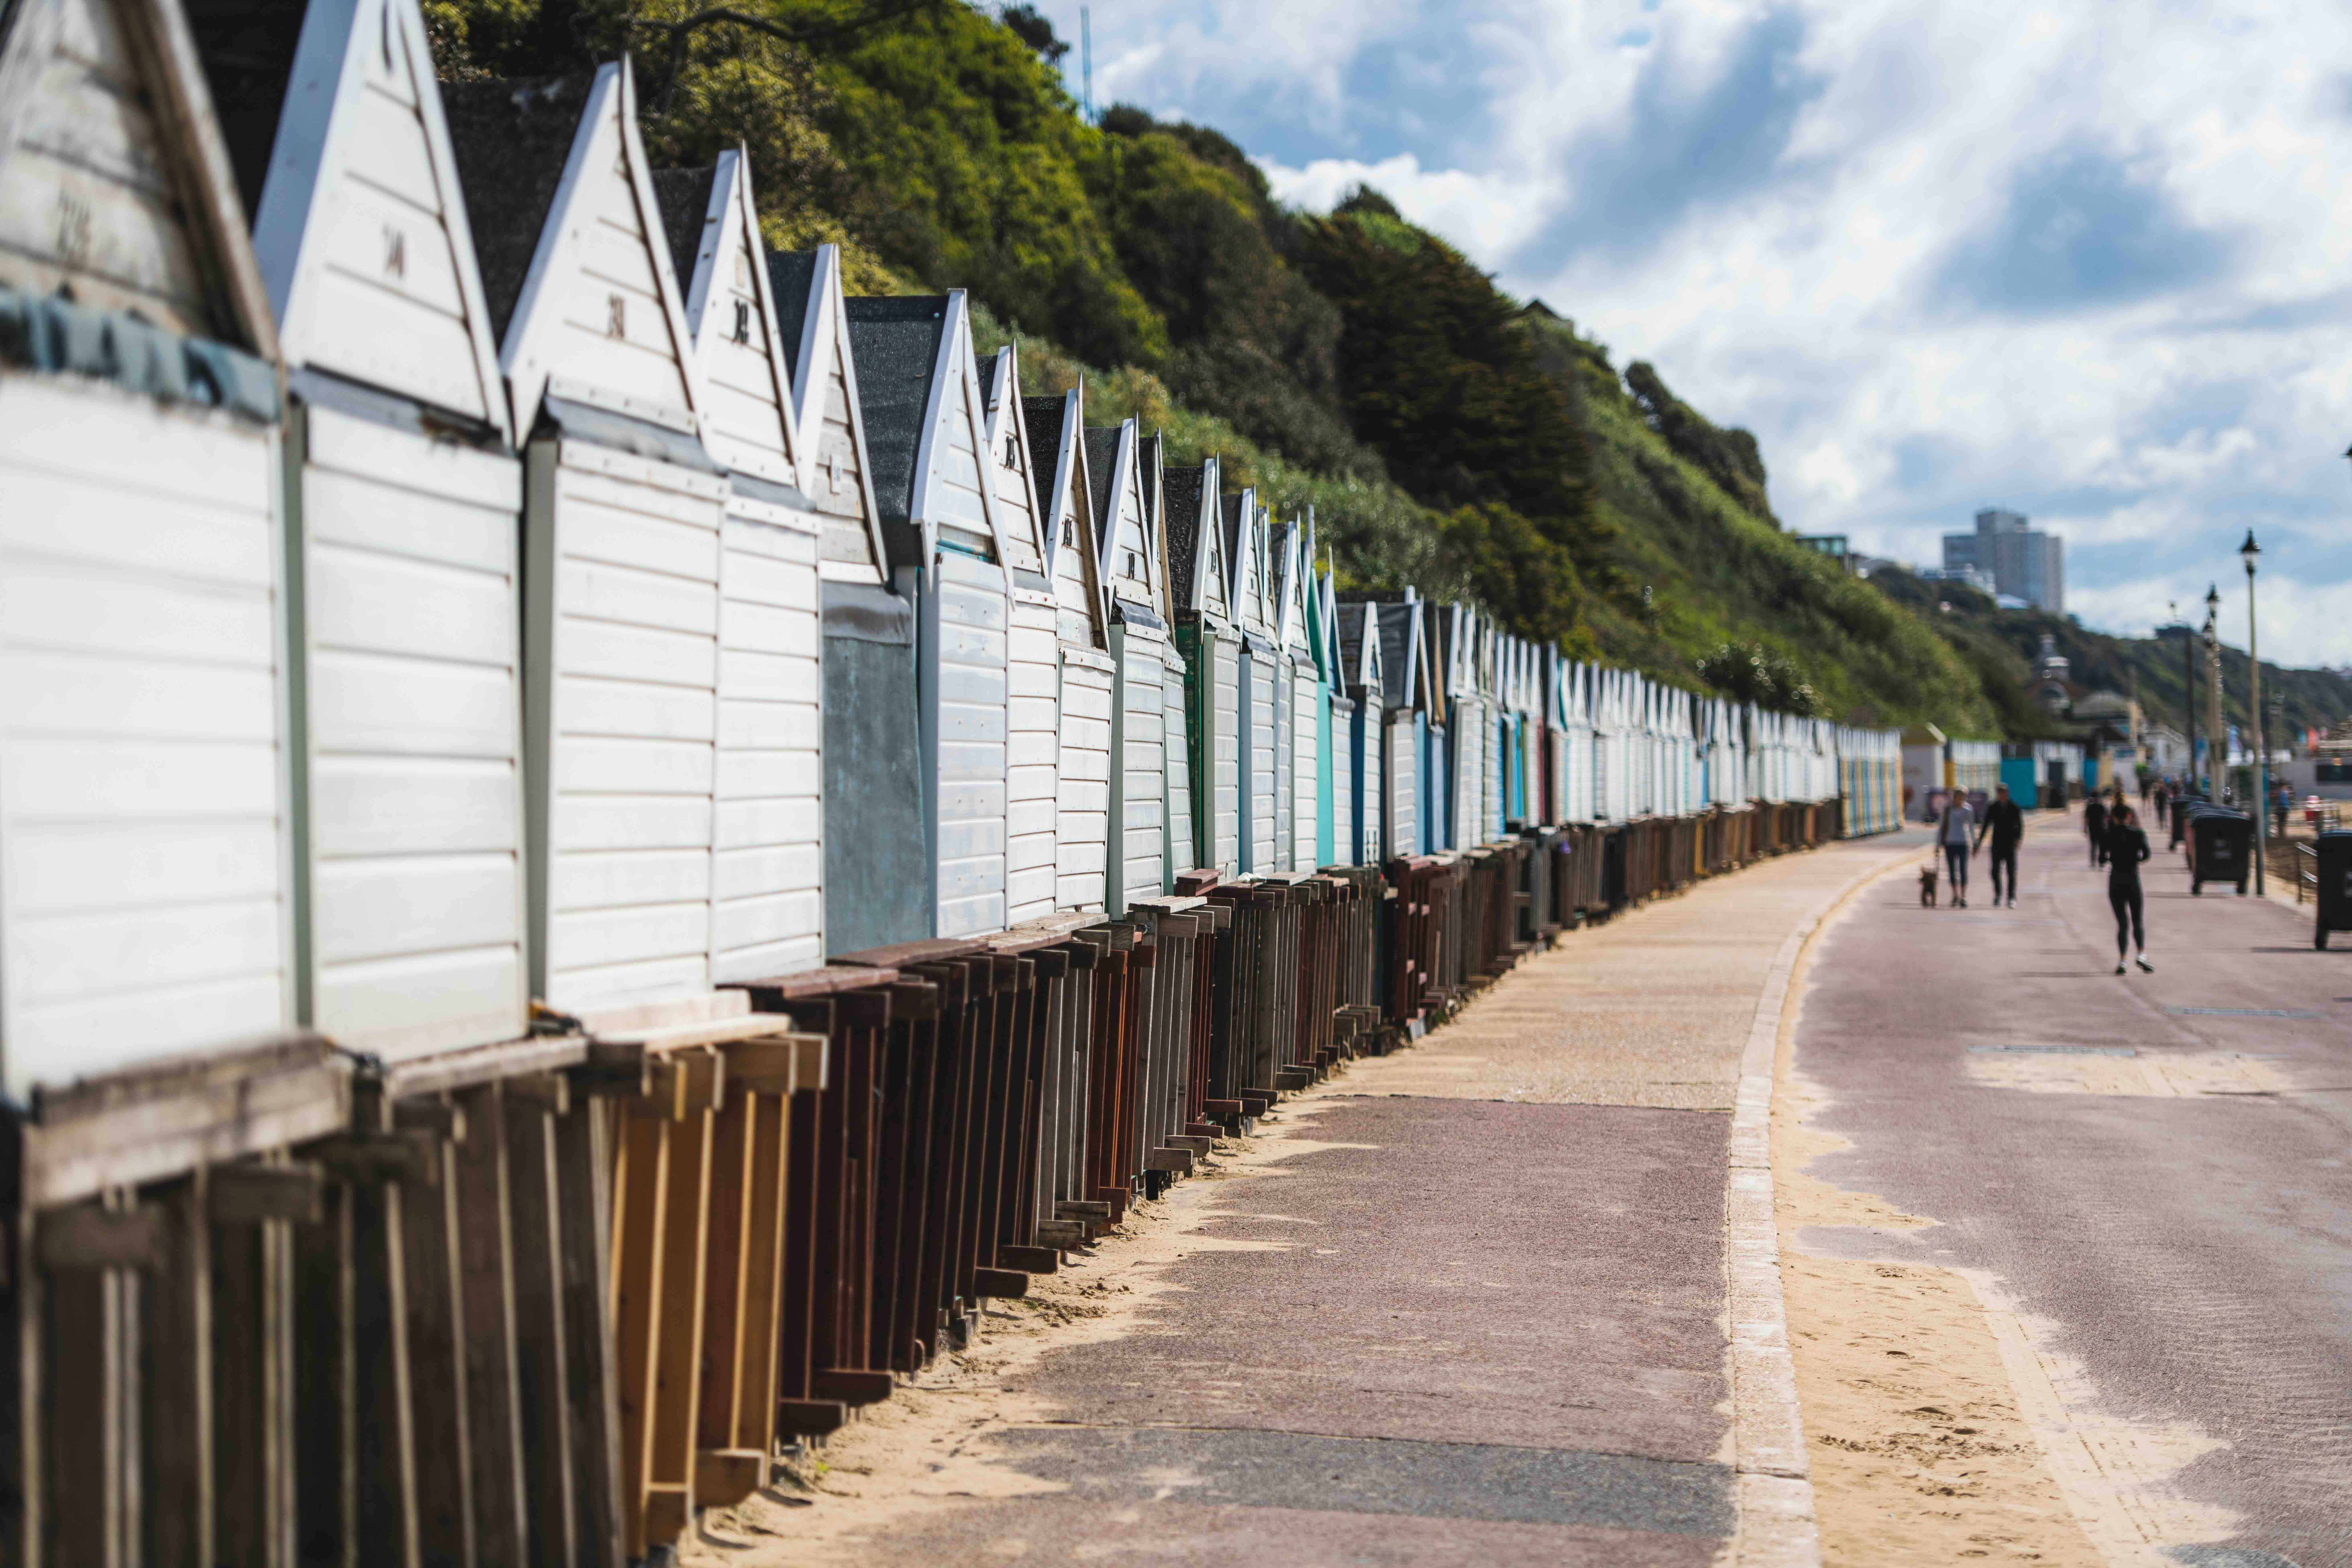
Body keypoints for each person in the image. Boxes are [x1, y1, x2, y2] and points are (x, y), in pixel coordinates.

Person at [2106, 803, 2152, 973]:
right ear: (2129, 816)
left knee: (2123, 924)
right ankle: (2141, 955)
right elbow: (2147, 854)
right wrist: (2135, 861)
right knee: (2138, 920)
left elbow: (2103, 858)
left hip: (2116, 880)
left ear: (2114, 817)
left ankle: (2123, 960)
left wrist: (2113, 858)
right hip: (2133, 879)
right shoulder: (2138, 834)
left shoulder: (2109, 834)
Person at [1977, 783, 2024, 907]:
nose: (2002, 795)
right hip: (1997, 844)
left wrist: (2018, 839)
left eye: (2004, 793)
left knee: (2011, 872)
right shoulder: (1993, 807)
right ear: (1998, 794)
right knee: (1995, 871)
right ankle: (1998, 894)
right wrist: (1979, 843)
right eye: (2000, 793)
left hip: (2010, 844)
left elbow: (2020, 825)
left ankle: (2011, 897)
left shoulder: (2014, 807)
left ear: (2007, 793)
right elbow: (1986, 825)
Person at [1939, 790, 1977, 907]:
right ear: (1955, 796)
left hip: (1963, 842)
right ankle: (1955, 894)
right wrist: (1938, 844)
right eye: (1959, 796)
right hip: (1950, 843)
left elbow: (1971, 827)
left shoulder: (1968, 809)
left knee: (1963, 870)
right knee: (1951, 870)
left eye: (1964, 796)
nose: (1961, 798)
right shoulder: (1948, 809)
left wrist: (1975, 843)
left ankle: (1964, 896)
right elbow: (1942, 826)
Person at [2084, 790, 2109, 868]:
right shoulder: (2102, 807)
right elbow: (2107, 818)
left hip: (2092, 829)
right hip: (2102, 829)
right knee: (2102, 846)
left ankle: (2093, 862)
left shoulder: (2089, 807)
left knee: (2093, 846)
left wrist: (2085, 828)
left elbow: (2086, 819)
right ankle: (2102, 862)